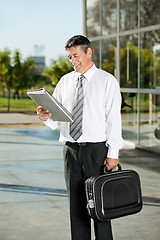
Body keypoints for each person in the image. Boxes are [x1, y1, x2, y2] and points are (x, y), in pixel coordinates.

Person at [37, 35, 124, 240]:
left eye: (76, 55)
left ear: (89, 52)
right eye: (69, 57)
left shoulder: (106, 81)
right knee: (76, 208)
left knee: (100, 208)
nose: (72, 60)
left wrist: (113, 153)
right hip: (71, 151)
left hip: (97, 151)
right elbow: (55, 116)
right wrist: (44, 116)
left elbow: (113, 120)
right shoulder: (65, 81)